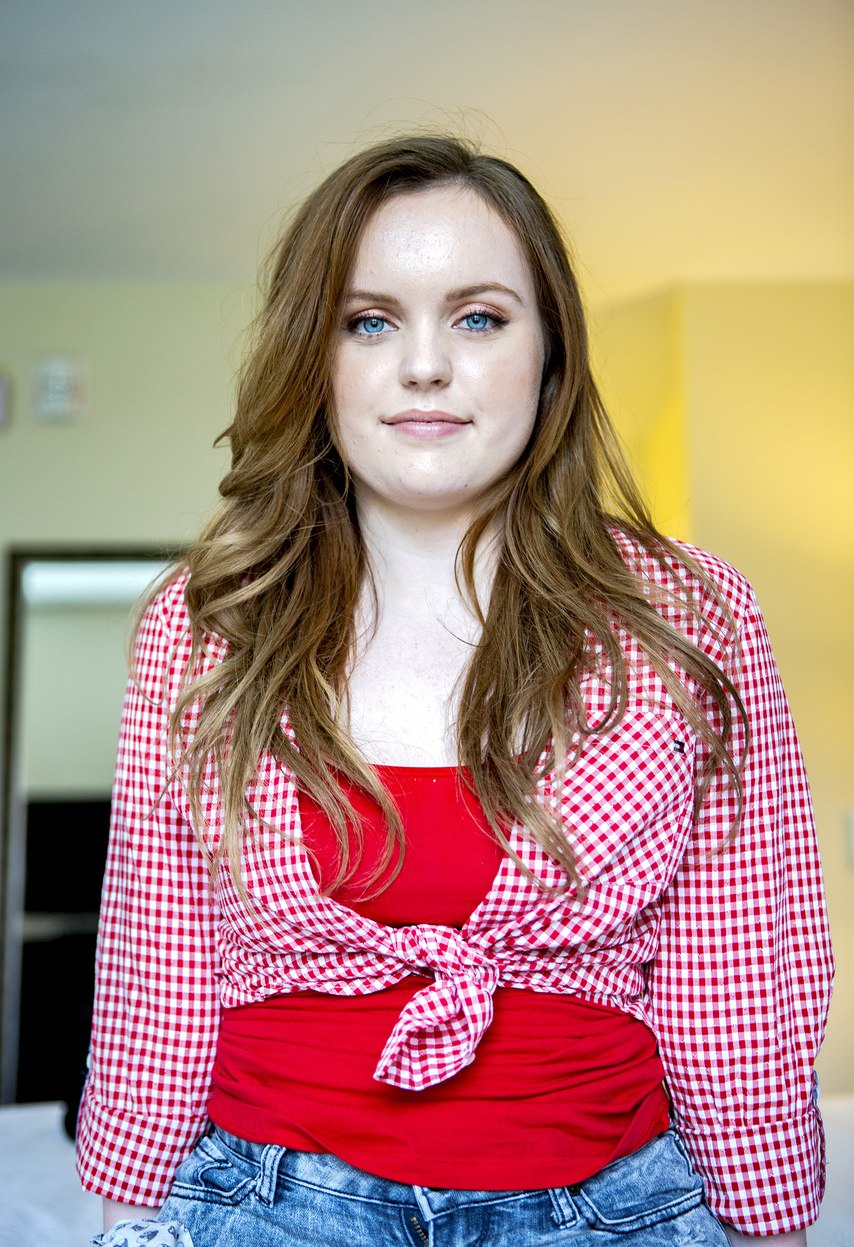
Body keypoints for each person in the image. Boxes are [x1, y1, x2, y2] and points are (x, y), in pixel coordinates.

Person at [76, 135, 833, 1246]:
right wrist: (123, 1219)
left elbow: (738, 971)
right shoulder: (207, 623)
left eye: (478, 318)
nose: (423, 364)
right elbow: (158, 959)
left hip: (610, 1209)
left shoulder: (688, 613)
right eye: (368, 321)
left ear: (549, 355)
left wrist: (770, 1220)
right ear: (315, 359)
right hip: (262, 1206)